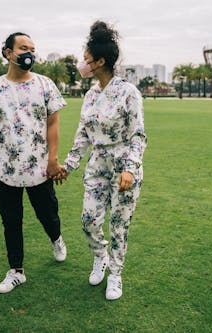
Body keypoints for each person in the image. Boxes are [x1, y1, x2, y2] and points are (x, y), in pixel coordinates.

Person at [59, 21, 147, 300]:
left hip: (123, 168)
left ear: (100, 61)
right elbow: (83, 133)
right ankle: (100, 256)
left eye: (86, 60)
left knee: (119, 224)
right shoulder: (91, 94)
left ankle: (116, 275)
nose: (83, 65)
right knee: (89, 220)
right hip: (97, 165)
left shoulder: (128, 93)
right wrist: (69, 165)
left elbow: (138, 135)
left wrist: (130, 170)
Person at [0, 32, 67, 294]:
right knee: (11, 221)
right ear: (8, 53)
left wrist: (53, 160)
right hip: (6, 171)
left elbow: (53, 123)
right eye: (23, 48)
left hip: (39, 169)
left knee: (47, 215)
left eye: (33, 49)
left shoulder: (45, 84)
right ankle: (16, 271)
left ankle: (56, 239)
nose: (29, 54)